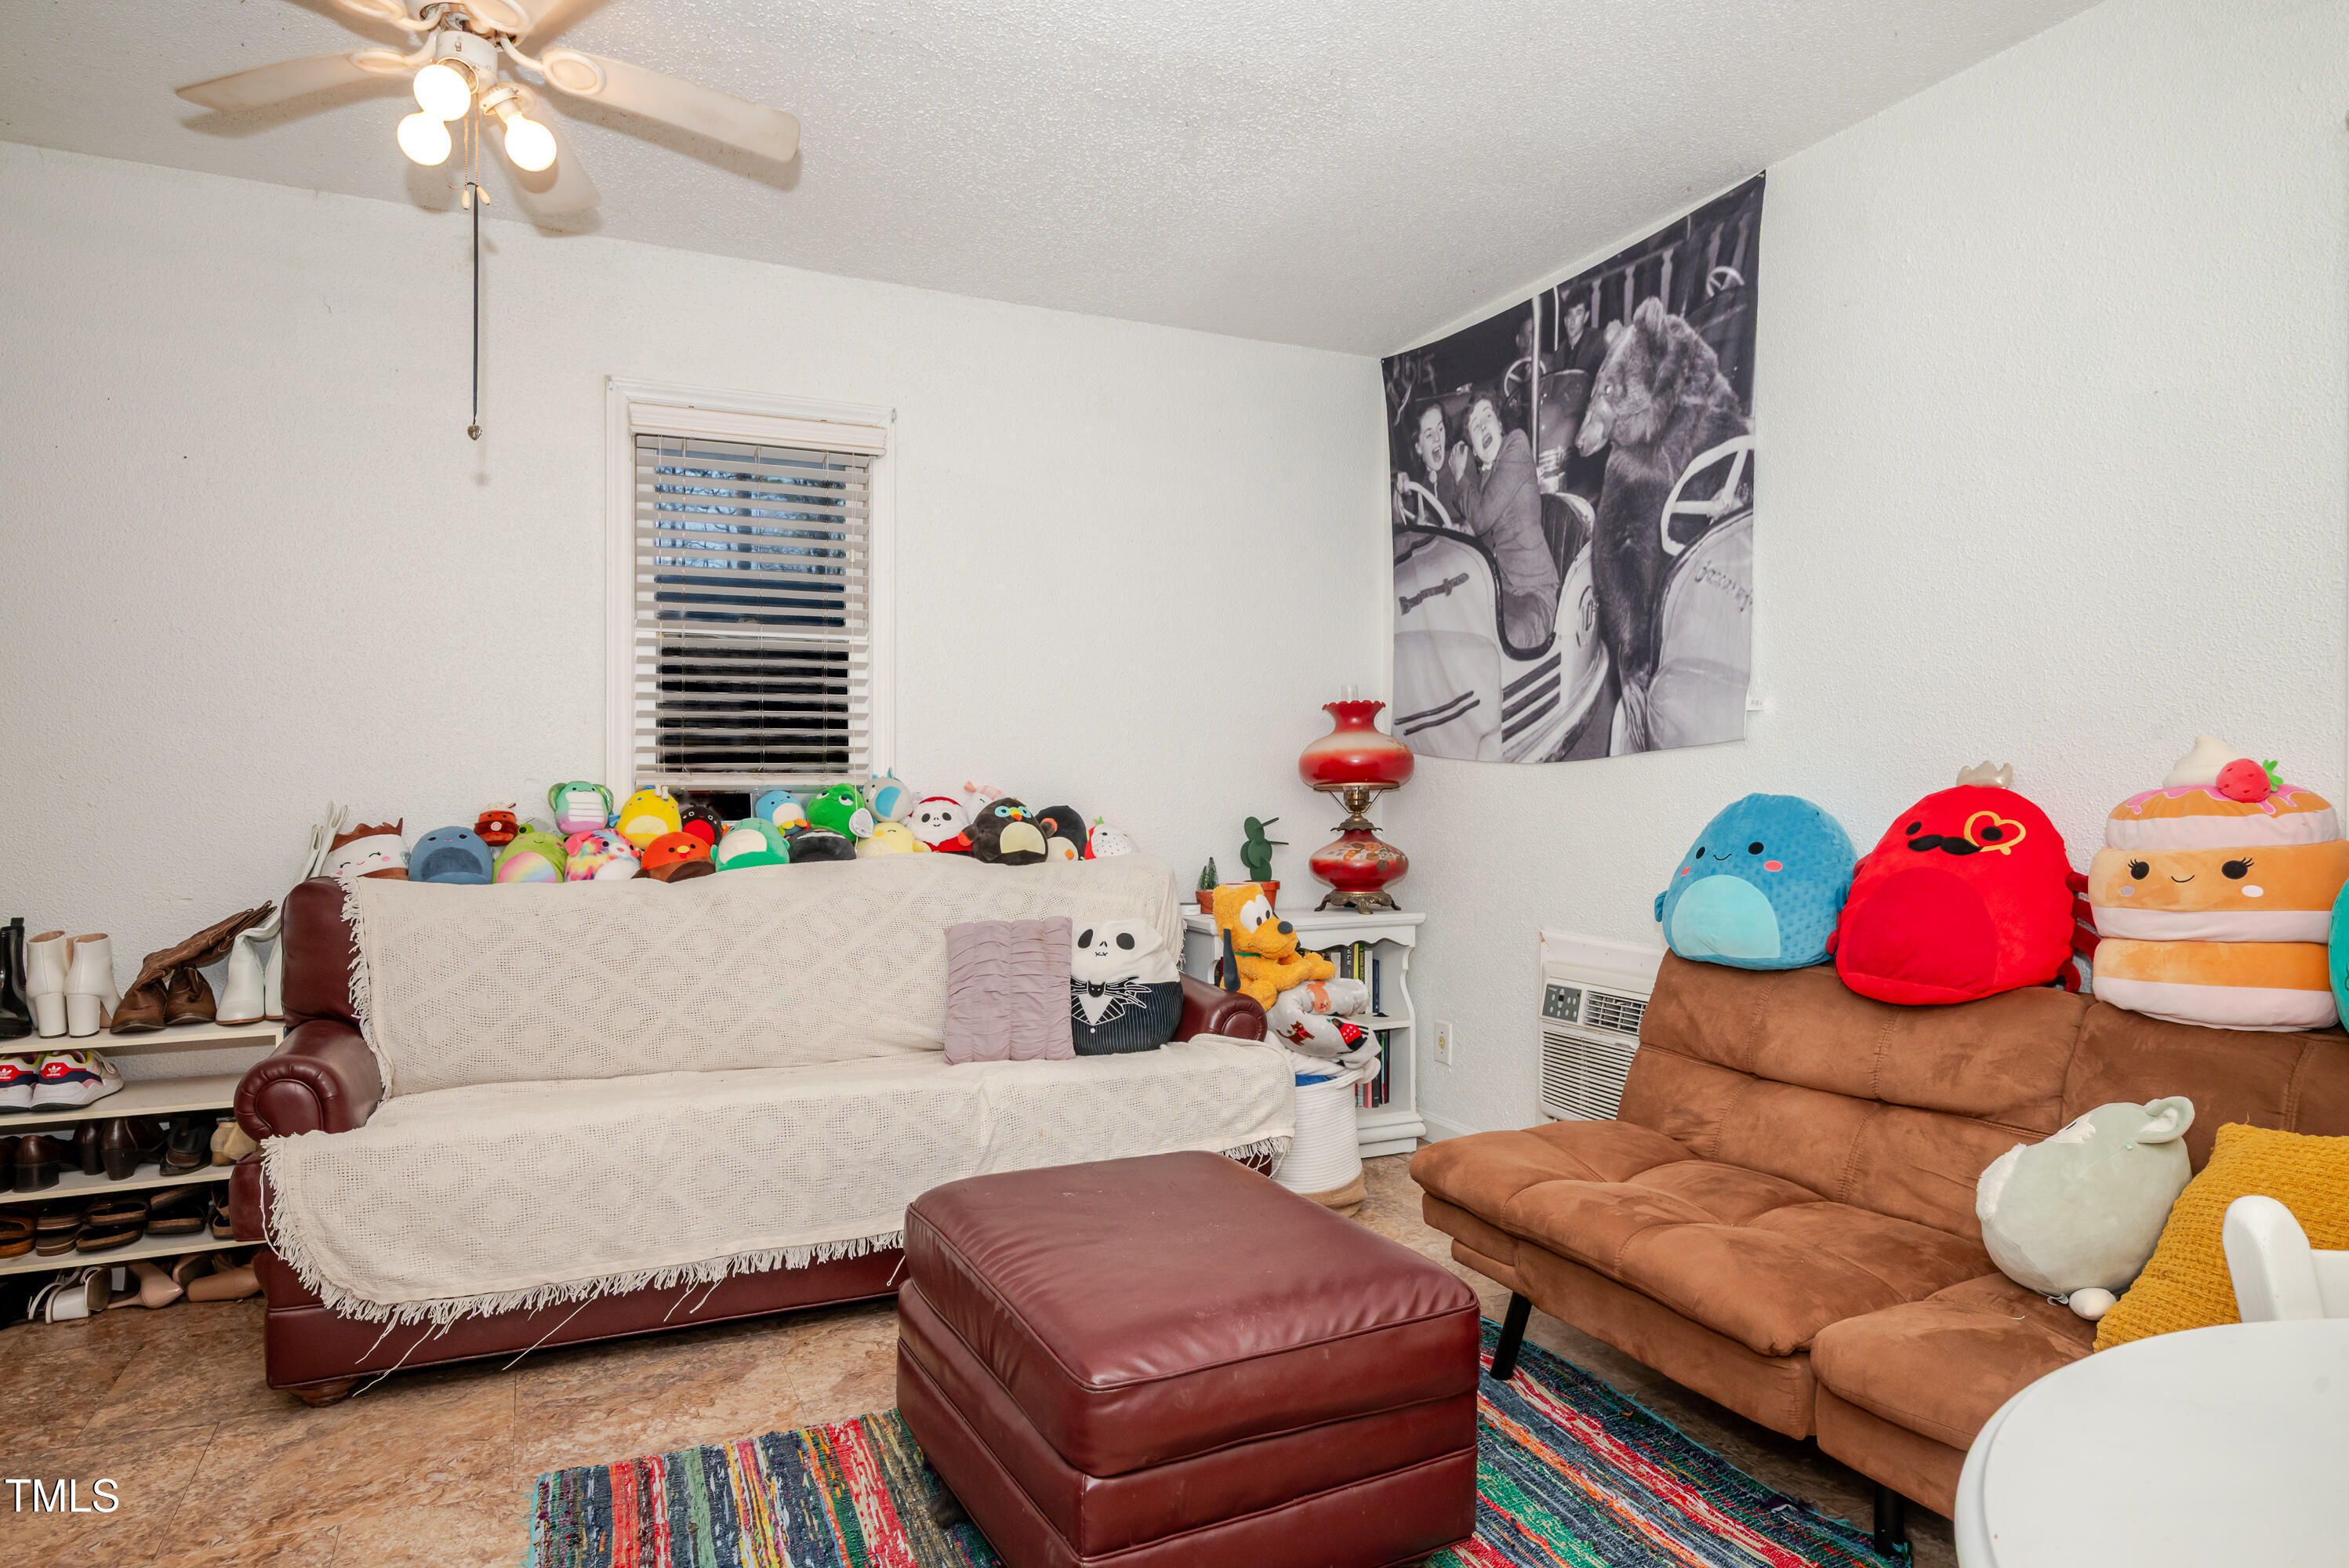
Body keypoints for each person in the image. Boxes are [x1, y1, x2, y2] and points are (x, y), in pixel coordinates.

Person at [1460, 387, 1559, 648]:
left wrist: (1460, 478)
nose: (1482, 427)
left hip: (1535, 593)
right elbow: (1481, 530)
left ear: (1500, 424)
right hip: (1503, 592)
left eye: (1487, 416)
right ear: (1474, 449)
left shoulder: (1517, 445)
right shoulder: (1486, 480)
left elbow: (1482, 518)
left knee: (1500, 644)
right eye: (1474, 425)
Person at [1392, 401, 1469, 530]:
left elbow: (1480, 516)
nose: (1437, 438)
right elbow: (1398, 524)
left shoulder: (1462, 460)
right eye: (1429, 435)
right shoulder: (1416, 489)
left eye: (1440, 429)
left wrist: (1464, 529)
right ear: (1419, 448)